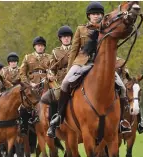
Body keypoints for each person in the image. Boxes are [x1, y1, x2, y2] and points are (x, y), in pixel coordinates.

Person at [46, 2, 131, 138]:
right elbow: (74, 51)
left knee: (122, 87)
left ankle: (121, 121)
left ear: (102, 15)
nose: (96, 16)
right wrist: (69, 70)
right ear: (89, 16)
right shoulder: (81, 29)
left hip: (102, 65)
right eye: (93, 14)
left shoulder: (108, 29)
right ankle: (59, 116)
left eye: (98, 14)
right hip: (82, 62)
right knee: (65, 84)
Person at [19, 36, 53, 135]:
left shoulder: (50, 57)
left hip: (46, 84)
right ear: (35, 47)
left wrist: (49, 76)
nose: (40, 47)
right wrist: (29, 84)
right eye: (38, 46)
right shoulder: (27, 57)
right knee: (23, 105)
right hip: (31, 86)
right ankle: (24, 127)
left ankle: (54, 124)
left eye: (42, 46)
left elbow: (53, 70)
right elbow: (22, 73)